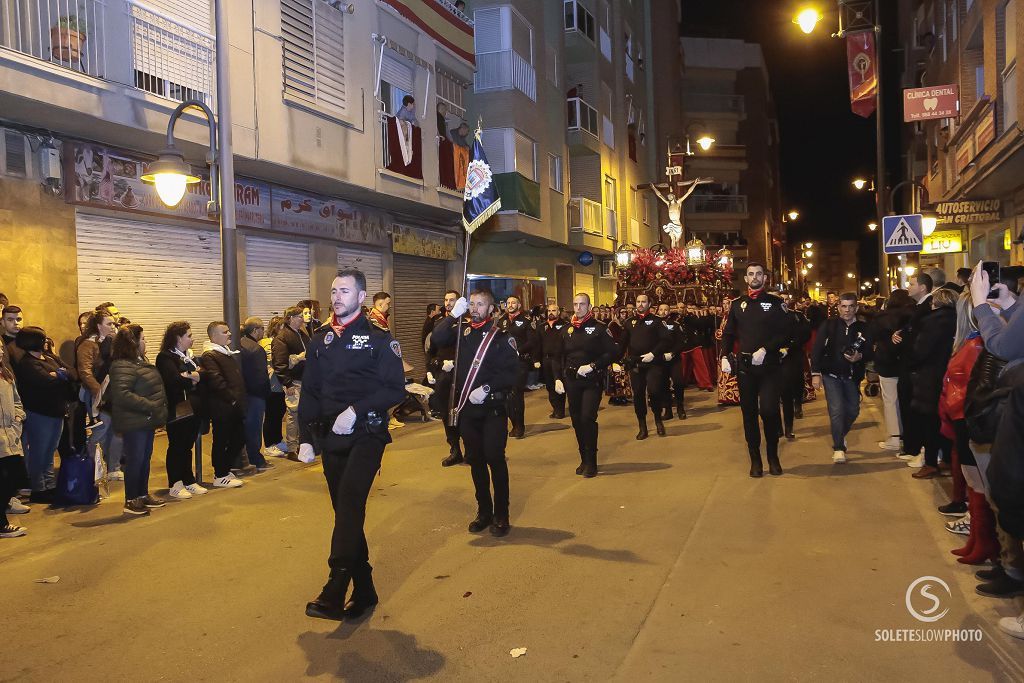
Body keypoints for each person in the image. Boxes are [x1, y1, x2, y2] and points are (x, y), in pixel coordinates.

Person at [299, 269, 407, 621]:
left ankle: (336, 582)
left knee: (349, 502)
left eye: (345, 290)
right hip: (331, 437)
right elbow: (311, 391)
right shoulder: (320, 338)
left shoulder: (378, 338)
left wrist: (356, 410)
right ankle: (366, 589)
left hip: (366, 433)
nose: (337, 296)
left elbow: (395, 388)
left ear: (361, 297)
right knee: (345, 513)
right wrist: (305, 438)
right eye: (334, 290)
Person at [431, 290, 518, 536]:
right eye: (472, 304)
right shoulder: (463, 332)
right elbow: (437, 339)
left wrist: (488, 387)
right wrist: (451, 317)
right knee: (475, 460)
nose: (475, 308)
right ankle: (484, 511)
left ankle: (502, 513)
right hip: (468, 410)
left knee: (495, 459)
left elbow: (512, 373)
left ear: (491, 309)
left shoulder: (501, 338)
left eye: (481, 304)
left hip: (492, 408)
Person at [720, 263, 793, 477]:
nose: (754, 277)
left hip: (769, 365)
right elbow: (729, 333)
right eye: (751, 274)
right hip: (746, 367)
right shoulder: (737, 305)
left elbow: (787, 332)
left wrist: (767, 349)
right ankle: (755, 459)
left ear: (765, 277)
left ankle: (773, 456)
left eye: (758, 274)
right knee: (749, 414)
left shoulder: (776, 303)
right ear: (746, 279)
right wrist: (724, 355)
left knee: (769, 411)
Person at [108, 324, 167, 516]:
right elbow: (122, 394)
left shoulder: (139, 362)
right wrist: (149, 404)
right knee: (135, 460)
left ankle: (142, 494)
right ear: (132, 342)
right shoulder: (122, 365)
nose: (145, 342)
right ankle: (131, 500)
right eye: (143, 339)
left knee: (144, 460)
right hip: (135, 421)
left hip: (145, 420)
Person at [558, 293, 618, 477]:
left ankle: (592, 460)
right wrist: (558, 378)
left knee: (587, 418)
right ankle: (583, 458)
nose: (578, 308)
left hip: (592, 379)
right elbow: (559, 356)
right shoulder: (566, 330)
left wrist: (593, 366)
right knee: (576, 420)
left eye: (582, 304)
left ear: (589, 306)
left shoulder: (599, 329)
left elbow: (612, 353)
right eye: (575, 304)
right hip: (572, 380)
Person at [810, 293, 873, 463]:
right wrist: (815, 373)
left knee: (853, 410)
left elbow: (870, 351)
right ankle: (838, 447)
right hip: (831, 375)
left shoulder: (864, 328)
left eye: (850, 306)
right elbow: (817, 349)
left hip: (853, 377)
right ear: (838, 308)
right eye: (843, 306)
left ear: (856, 308)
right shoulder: (828, 325)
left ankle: (840, 434)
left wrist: (859, 357)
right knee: (836, 411)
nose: (847, 310)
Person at [14, 327, 72, 503]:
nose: (46, 342)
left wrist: (58, 373)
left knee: (50, 451)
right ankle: (39, 488)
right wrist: (58, 375)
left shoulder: (47, 358)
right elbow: (46, 381)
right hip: (40, 413)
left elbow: (69, 372)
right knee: (40, 452)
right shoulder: (27, 363)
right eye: (42, 339)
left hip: (56, 410)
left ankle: (50, 485)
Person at [906, 287, 958, 478]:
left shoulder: (932, 322)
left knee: (929, 422)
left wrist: (911, 362)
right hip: (952, 375)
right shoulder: (960, 319)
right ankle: (947, 460)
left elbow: (920, 351)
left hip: (930, 377)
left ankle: (930, 463)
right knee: (947, 419)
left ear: (935, 303)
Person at [156, 321, 206, 499]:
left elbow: (203, 374)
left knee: (188, 446)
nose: (192, 339)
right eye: (189, 336)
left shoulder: (187, 357)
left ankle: (188, 480)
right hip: (177, 410)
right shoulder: (165, 358)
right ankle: (175, 483)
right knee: (177, 446)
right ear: (178, 338)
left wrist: (191, 376)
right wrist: (192, 378)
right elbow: (173, 381)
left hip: (193, 409)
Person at [892, 273, 935, 460]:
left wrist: (904, 338)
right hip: (910, 365)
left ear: (923, 287)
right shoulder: (918, 307)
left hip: (915, 367)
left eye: (911, 283)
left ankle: (916, 448)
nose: (908, 286)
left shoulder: (928, 307)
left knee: (914, 409)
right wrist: (899, 333)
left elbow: (920, 336)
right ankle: (913, 446)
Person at [200, 322, 247, 489]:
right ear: (214, 336)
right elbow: (216, 380)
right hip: (223, 407)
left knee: (239, 438)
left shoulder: (224, 353)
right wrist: (232, 399)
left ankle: (224, 469)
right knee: (221, 440)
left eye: (228, 330)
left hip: (234, 406)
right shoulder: (210, 356)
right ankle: (220, 473)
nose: (229, 334)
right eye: (225, 332)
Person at [619, 294, 670, 440]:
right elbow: (622, 343)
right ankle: (642, 426)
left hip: (653, 362)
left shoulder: (657, 321)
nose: (640, 304)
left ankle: (658, 419)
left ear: (649, 304)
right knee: (638, 395)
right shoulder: (629, 322)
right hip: (636, 364)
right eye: (638, 301)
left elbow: (666, 340)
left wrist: (654, 354)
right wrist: (615, 358)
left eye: (643, 302)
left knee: (654, 391)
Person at [76, 310, 120, 477]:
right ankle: (93, 469)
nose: (112, 327)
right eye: (109, 324)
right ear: (98, 325)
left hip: (112, 392)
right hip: (96, 394)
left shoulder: (111, 341)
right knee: (101, 430)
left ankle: (113, 467)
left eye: (113, 323)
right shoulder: (87, 344)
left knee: (115, 431)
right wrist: (98, 392)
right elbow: (85, 372)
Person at [870, 289, 915, 451]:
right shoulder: (911, 315)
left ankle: (894, 437)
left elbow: (872, 336)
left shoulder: (881, 318)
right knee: (907, 400)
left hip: (886, 363)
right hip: (906, 364)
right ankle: (907, 435)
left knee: (890, 401)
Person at [427, 290, 465, 466]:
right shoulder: (441, 323)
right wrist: (431, 367)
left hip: (462, 377)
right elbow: (432, 348)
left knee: (464, 414)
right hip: (443, 376)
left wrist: (457, 363)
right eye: (446, 300)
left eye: (452, 300)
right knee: (446, 414)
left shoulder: (467, 324)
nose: (448, 303)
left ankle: (471, 449)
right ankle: (455, 449)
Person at [272, 306, 308, 458]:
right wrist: (287, 383)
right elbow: (279, 363)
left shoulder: (301, 334)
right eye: (300, 316)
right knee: (293, 414)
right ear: (291, 318)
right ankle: (292, 448)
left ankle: (301, 444)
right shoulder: (282, 337)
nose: (303, 319)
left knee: (303, 414)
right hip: (294, 382)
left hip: (305, 380)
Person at [0, 346, 28, 537]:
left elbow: (17, 401)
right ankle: (2, 524)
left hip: (10, 436)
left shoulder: (5, 373)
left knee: (14, 478)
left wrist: (18, 418)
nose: (1, 351)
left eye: (1, 348)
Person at [239, 317, 272, 472]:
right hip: (255, 395)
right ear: (255, 330)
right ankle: (256, 459)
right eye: (261, 329)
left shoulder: (239, 344)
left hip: (243, 393)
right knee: (254, 428)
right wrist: (265, 393)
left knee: (246, 428)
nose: (263, 333)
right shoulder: (256, 349)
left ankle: (247, 457)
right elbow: (261, 376)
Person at [502, 295, 536, 439]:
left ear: (519, 305)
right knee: (507, 396)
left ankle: (519, 425)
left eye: (513, 302)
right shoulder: (501, 321)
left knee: (516, 394)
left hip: (520, 362)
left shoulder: (526, 321)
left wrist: (518, 350)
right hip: (504, 363)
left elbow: (533, 341)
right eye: (508, 302)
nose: (510, 305)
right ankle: (513, 422)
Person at [781, 298, 812, 439]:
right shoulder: (770, 316)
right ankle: (777, 426)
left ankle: (797, 406)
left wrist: (791, 345)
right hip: (773, 357)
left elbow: (806, 333)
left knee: (794, 383)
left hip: (793, 355)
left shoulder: (797, 316)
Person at [261, 316, 288, 457]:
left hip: (280, 383)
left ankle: (277, 440)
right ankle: (269, 444)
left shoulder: (280, 341)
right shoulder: (268, 342)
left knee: (279, 413)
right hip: (272, 383)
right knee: (272, 414)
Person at [656, 303, 687, 420]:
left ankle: (680, 407)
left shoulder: (675, 325)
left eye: (666, 310)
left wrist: (672, 353)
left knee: (678, 382)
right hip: (660, 359)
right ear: (657, 311)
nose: (663, 312)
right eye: (661, 309)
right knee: (663, 385)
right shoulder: (654, 325)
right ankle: (668, 410)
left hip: (674, 359)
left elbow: (681, 342)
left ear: (669, 311)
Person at [539, 303, 568, 418]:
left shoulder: (565, 326)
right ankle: (555, 408)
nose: (551, 312)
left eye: (553, 310)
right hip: (546, 360)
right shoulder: (542, 326)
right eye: (549, 311)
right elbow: (538, 344)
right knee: (550, 386)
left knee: (560, 384)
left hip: (559, 360)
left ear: (558, 312)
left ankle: (560, 410)